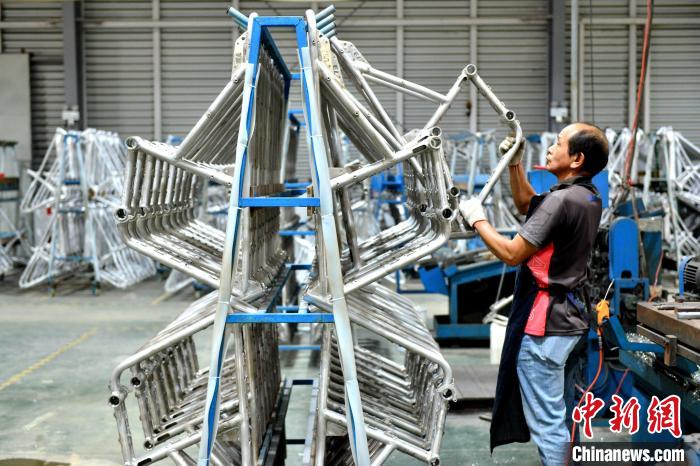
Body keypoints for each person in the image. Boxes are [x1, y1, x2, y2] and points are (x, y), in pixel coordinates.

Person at [459, 123, 609, 465]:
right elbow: (528, 203)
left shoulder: (562, 201)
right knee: (562, 415)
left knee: (549, 425)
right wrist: (515, 163)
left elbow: (512, 253)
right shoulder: (587, 196)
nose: (551, 148)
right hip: (570, 321)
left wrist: (478, 220)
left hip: (546, 326)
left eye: (559, 143)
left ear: (576, 159)